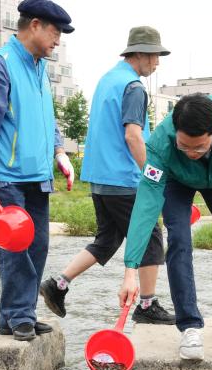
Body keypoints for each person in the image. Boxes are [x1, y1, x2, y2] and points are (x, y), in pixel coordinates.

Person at [40, 27, 175, 325]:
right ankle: (147, 306)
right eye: (155, 56)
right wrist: (151, 175)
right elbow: (133, 137)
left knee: (108, 239)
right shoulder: (134, 87)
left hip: (100, 179)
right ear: (139, 53)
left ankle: (58, 284)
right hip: (124, 177)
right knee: (152, 236)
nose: (157, 63)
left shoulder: (107, 80)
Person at [118, 93, 212, 361]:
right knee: (180, 242)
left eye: (199, 147)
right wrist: (130, 270)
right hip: (176, 181)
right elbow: (145, 206)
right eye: (185, 146)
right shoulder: (161, 145)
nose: (192, 153)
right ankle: (189, 326)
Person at [0, 0, 75, 342]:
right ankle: (19, 315)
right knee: (15, 250)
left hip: (37, 176)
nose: (58, 39)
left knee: (37, 247)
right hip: (7, 177)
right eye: (56, 32)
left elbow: (47, 117)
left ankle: (15, 316)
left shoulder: (40, 67)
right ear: (35, 26)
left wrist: (60, 152)